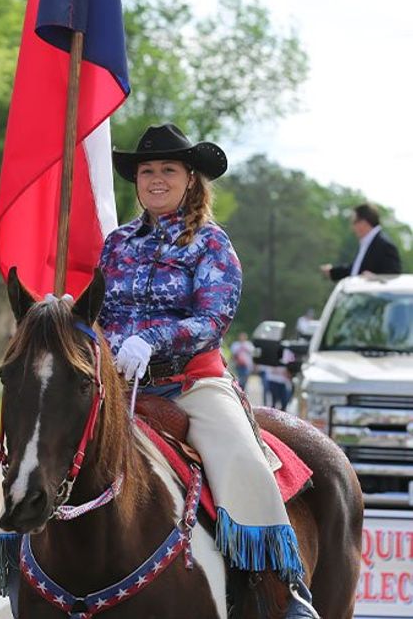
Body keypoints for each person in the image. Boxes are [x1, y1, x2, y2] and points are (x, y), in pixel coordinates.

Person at [99, 123, 318, 618]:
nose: (156, 179)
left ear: (190, 179)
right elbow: (103, 312)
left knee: (241, 460)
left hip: (190, 384)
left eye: (168, 170)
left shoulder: (211, 243)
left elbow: (213, 318)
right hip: (118, 381)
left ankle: (282, 590)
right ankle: (25, 559)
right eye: (147, 171)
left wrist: (152, 339)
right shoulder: (117, 244)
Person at [320, 202, 402, 280]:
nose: (352, 227)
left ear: (363, 222)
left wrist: (375, 279)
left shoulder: (385, 245)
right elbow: (356, 271)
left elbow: (393, 277)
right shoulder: (369, 242)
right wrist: (333, 272)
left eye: (353, 222)